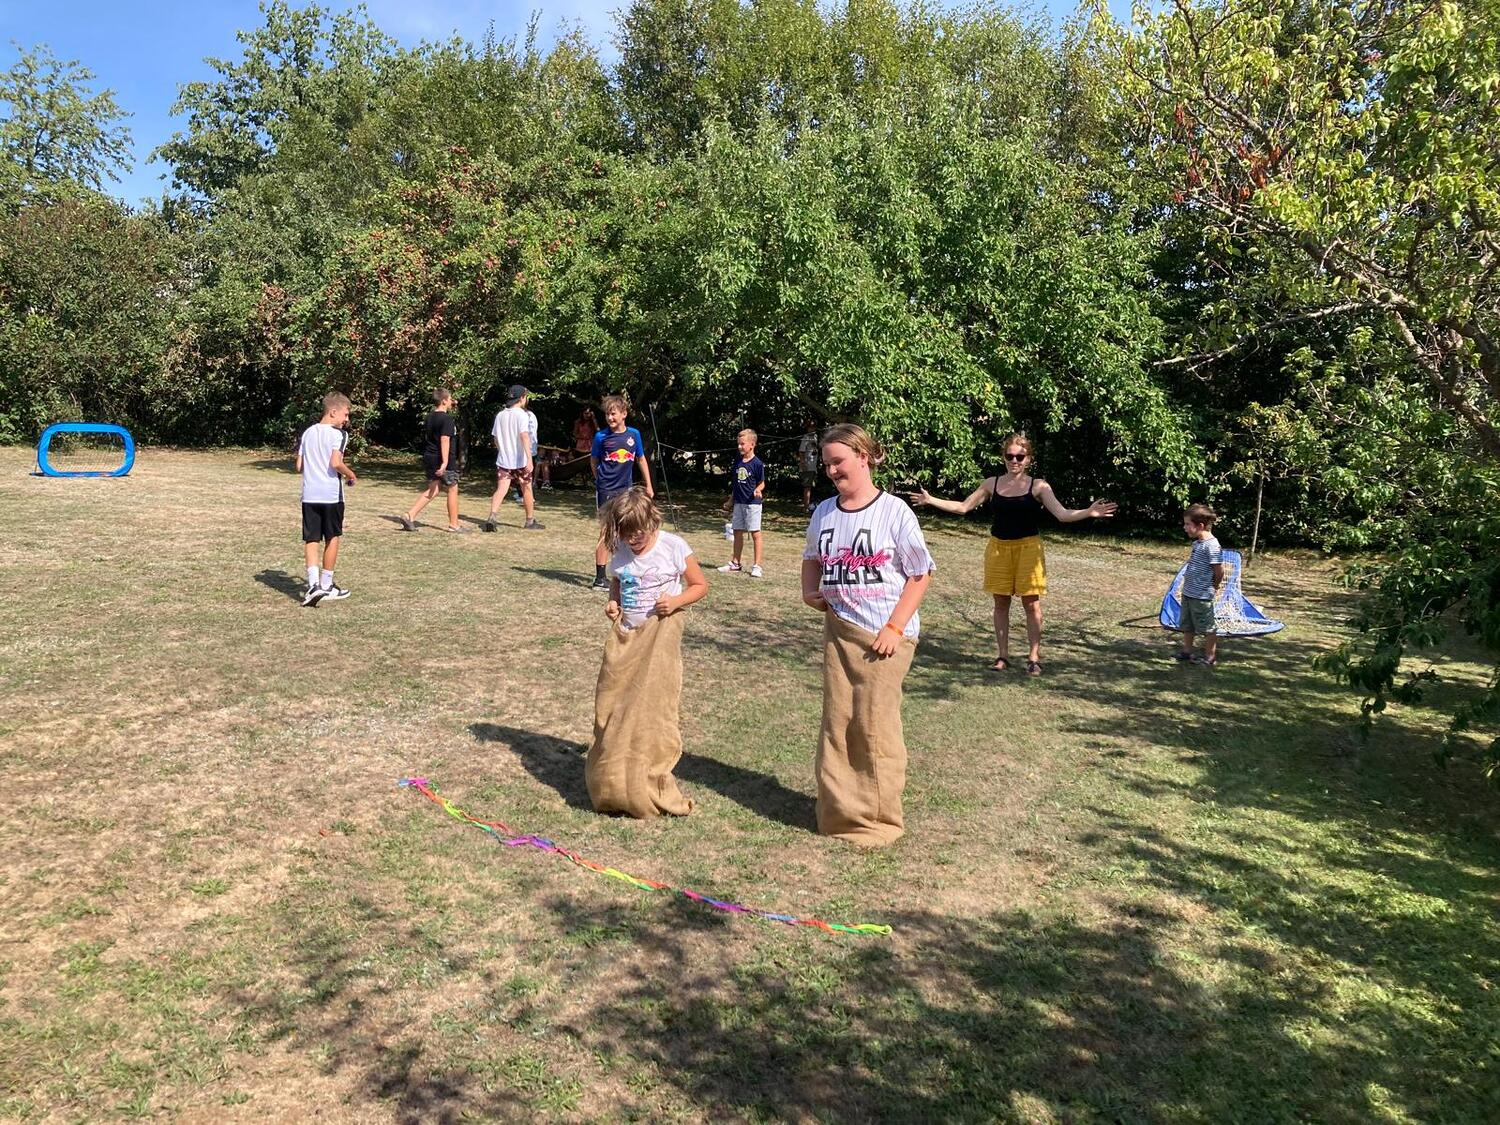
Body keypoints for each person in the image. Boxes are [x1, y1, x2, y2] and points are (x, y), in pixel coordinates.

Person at [801, 424, 934, 848]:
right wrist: (809, 591)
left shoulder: (895, 511)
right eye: (827, 464)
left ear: (863, 456)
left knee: (874, 725)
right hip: (840, 634)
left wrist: (894, 628)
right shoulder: (824, 512)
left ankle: (877, 820)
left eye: (838, 461)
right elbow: (811, 557)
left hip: (884, 639)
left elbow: (920, 573)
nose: (831, 471)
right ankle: (840, 812)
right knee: (839, 722)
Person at [911, 433, 1116, 676]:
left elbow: (1062, 514)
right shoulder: (992, 484)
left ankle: (1034, 658)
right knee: (1001, 603)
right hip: (999, 549)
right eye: (1010, 456)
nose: (1014, 461)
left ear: (1029, 459)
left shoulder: (1038, 486)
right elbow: (963, 507)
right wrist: (930, 499)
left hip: (1029, 549)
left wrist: (1089, 512)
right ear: (1004, 457)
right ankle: (1002, 656)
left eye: (1020, 456)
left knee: (1031, 604)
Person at [587, 488, 708, 818]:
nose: (633, 540)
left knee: (650, 707)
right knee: (614, 704)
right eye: (627, 534)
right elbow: (617, 580)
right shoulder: (621, 551)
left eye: (638, 532)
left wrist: (676, 601)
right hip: (628, 636)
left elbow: (700, 585)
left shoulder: (673, 547)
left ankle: (648, 778)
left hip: (660, 636)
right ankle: (614, 779)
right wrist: (613, 602)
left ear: (653, 522)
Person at [296, 392, 357, 606]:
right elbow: (335, 462)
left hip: (309, 494)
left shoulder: (307, 433)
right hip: (330, 495)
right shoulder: (338, 434)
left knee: (311, 538)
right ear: (333, 412)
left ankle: (313, 585)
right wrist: (351, 474)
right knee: (332, 537)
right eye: (345, 414)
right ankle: (327, 585)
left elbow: (299, 466)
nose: (346, 419)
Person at [589, 395, 653, 588]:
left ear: (624, 414)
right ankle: (600, 578)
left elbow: (640, 459)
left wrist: (649, 485)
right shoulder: (601, 437)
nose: (610, 418)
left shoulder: (634, 435)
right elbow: (594, 460)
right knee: (607, 531)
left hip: (626, 489)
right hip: (606, 489)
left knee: (629, 529)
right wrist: (600, 479)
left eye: (613, 414)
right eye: (607, 414)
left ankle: (629, 571)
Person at [399, 388, 465, 532]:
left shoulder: (429, 417)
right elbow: (444, 439)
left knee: (434, 489)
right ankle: (454, 525)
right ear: (444, 401)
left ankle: (409, 515)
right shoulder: (447, 419)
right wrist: (445, 462)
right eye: (450, 399)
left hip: (430, 456)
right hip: (443, 459)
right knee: (452, 488)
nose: (452, 401)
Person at [485, 385, 543, 532]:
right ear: (522, 398)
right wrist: (529, 459)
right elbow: (524, 436)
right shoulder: (522, 415)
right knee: (527, 488)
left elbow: (495, 438)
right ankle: (530, 520)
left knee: (501, 489)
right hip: (520, 460)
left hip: (504, 460)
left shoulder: (500, 415)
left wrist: (502, 450)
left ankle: (492, 516)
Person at [1177, 503, 1224, 666]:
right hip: (1188, 592)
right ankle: (1187, 651)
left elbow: (1219, 571)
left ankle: (1210, 657)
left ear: (1201, 526)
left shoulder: (1212, 546)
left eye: (1187, 524)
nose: (1184, 527)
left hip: (1201, 595)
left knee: (1207, 627)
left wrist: (1214, 586)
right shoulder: (1197, 543)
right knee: (1187, 624)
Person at [717, 428, 766, 577]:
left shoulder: (757, 464)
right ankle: (735, 563)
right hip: (739, 503)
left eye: (742, 444)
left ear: (752, 445)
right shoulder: (738, 462)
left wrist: (758, 490)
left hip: (753, 504)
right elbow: (736, 485)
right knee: (737, 532)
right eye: (738, 444)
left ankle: (757, 566)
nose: (739, 447)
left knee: (755, 533)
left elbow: (762, 483)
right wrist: (730, 501)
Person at [797, 419, 820, 511]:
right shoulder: (806, 437)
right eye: (810, 427)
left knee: (810, 486)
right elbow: (801, 451)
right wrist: (803, 464)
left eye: (814, 426)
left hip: (813, 466)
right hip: (807, 466)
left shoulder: (816, 437)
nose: (812, 428)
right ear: (807, 428)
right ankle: (805, 507)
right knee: (807, 487)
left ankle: (807, 505)